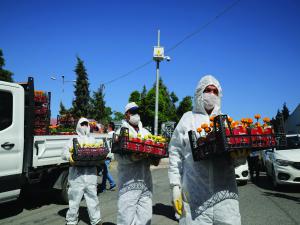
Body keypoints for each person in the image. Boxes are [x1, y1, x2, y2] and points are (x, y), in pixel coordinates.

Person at [168, 75, 244, 225]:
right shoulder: (187, 119)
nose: (211, 94)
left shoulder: (226, 120)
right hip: (195, 198)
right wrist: (175, 186)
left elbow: (233, 157)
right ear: (199, 93)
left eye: (215, 91)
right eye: (207, 90)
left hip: (225, 197)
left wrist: (240, 158)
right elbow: (175, 154)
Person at [115, 102, 158, 225]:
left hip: (145, 183)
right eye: (133, 112)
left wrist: (155, 158)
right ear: (126, 115)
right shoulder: (121, 133)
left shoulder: (146, 133)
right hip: (128, 183)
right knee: (126, 218)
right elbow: (118, 157)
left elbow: (153, 155)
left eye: (137, 112)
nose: (136, 115)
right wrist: (133, 157)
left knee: (145, 218)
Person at [61, 117, 102, 225]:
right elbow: (63, 153)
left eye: (86, 124)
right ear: (78, 126)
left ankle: (96, 220)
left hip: (91, 175)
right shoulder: (73, 140)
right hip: (76, 177)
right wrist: (69, 157)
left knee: (93, 199)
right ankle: (71, 221)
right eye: (82, 124)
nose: (84, 126)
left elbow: (100, 151)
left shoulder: (93, 140)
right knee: (74, 201)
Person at [99, 122, 116, 192]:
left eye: (107, 127)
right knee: (104, 171)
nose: (107, 128)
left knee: (105, 171)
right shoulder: (114, 134)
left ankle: (112, 183)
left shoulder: (109, 135)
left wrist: (101, 132)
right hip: (110, 154)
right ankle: (103, 186)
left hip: (107, 154)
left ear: (110, 127)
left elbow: (103, 141)